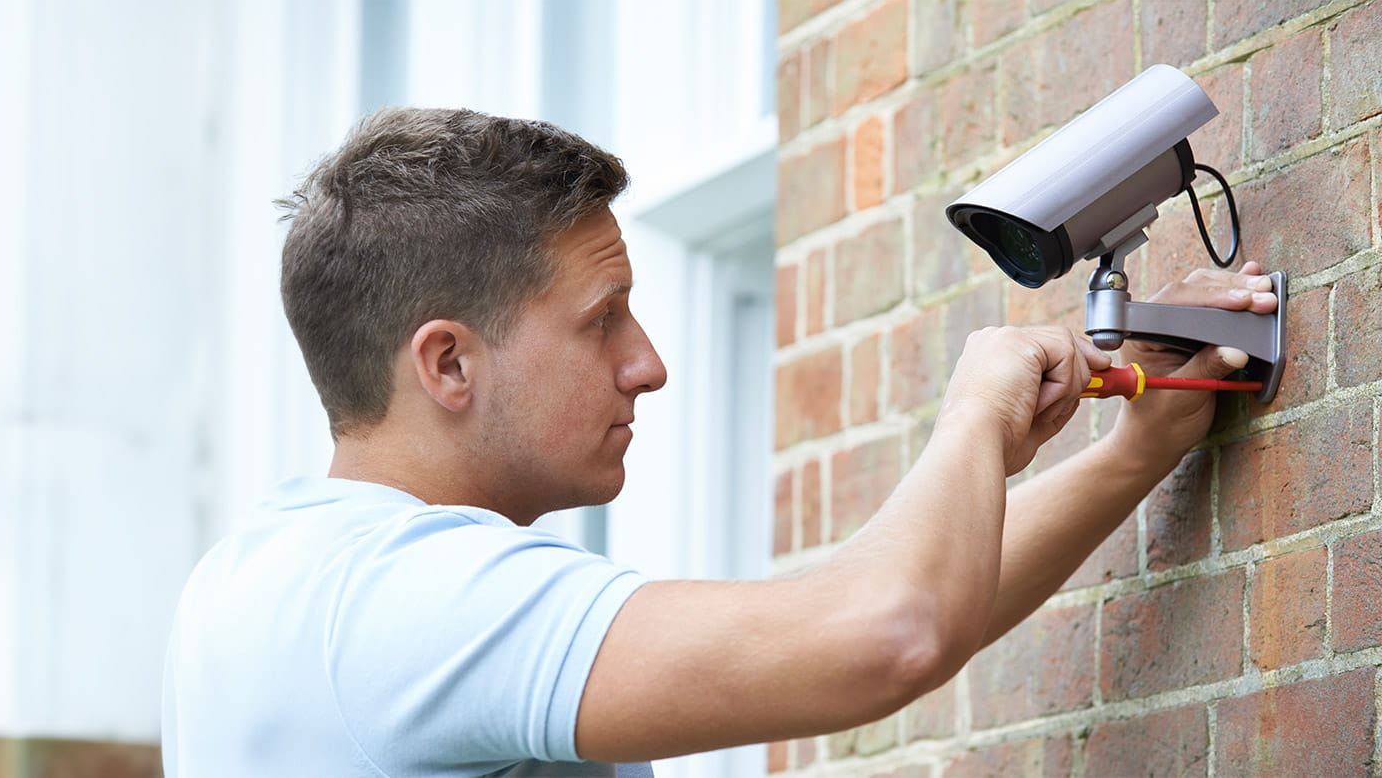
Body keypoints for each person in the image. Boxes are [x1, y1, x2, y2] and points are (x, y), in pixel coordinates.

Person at [160, 107, 1279, 776]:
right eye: (602, 319)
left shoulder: (255, 583)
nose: (645, 363)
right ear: (447, 362)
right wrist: (977, 411)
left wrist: (1133, 451)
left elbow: (860, 615)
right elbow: (883, 634)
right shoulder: (413, 596)